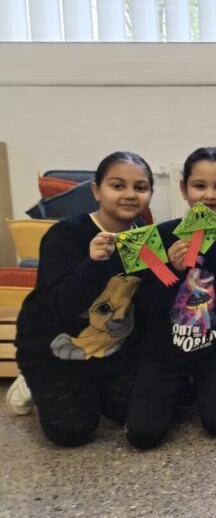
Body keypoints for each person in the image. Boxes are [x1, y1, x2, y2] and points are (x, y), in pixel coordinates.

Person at [13, 152, 154, 447]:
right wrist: (93, 264)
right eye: (118, 185)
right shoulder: (65, 235)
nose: (130, 194)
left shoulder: (143, 235)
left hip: (112, 350)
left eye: (140, 187)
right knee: (72, 432)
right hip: (54, 351)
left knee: (149, 411)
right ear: (96, 191)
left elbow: (145, 302)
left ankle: (96, 388)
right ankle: (31, 382)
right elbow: (59, 306)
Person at [125, 147, 216, 449]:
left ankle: (196, 387)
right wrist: (172, 269)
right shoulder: (157, 237)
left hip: (211, 349)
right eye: (199, 185)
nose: (210, 195)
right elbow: (146, 307)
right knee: (143, 436)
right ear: (184, 189)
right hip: (162, 354)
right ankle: (182, 390)